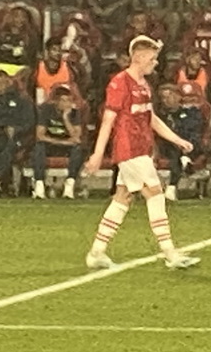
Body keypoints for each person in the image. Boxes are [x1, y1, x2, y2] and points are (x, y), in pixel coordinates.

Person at [82, 36, 200, 271]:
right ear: (141, 57)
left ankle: (96, 252)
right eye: (153, 58)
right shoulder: (119, 83)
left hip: (142, 148)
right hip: (129, 149)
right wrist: (97, 153)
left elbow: (151, 118)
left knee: (123, 197)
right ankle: (170, 253)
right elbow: (108, 119)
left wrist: (177, 140)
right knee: (155, 194)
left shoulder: (144, 85)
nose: (156, 63)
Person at [32, 84, 83, 200]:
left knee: (78, 149)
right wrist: (62, 142)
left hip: (66, 146)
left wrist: (66, 118)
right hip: (51, 144)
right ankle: (39, 185)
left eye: (69, 100)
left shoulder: (74, 113)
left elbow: (76, 138)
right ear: (56, 101)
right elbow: (40, 135)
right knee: (39, 147)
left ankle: (69, 186)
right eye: (64, 101)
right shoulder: (46, 110)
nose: (67, 104)